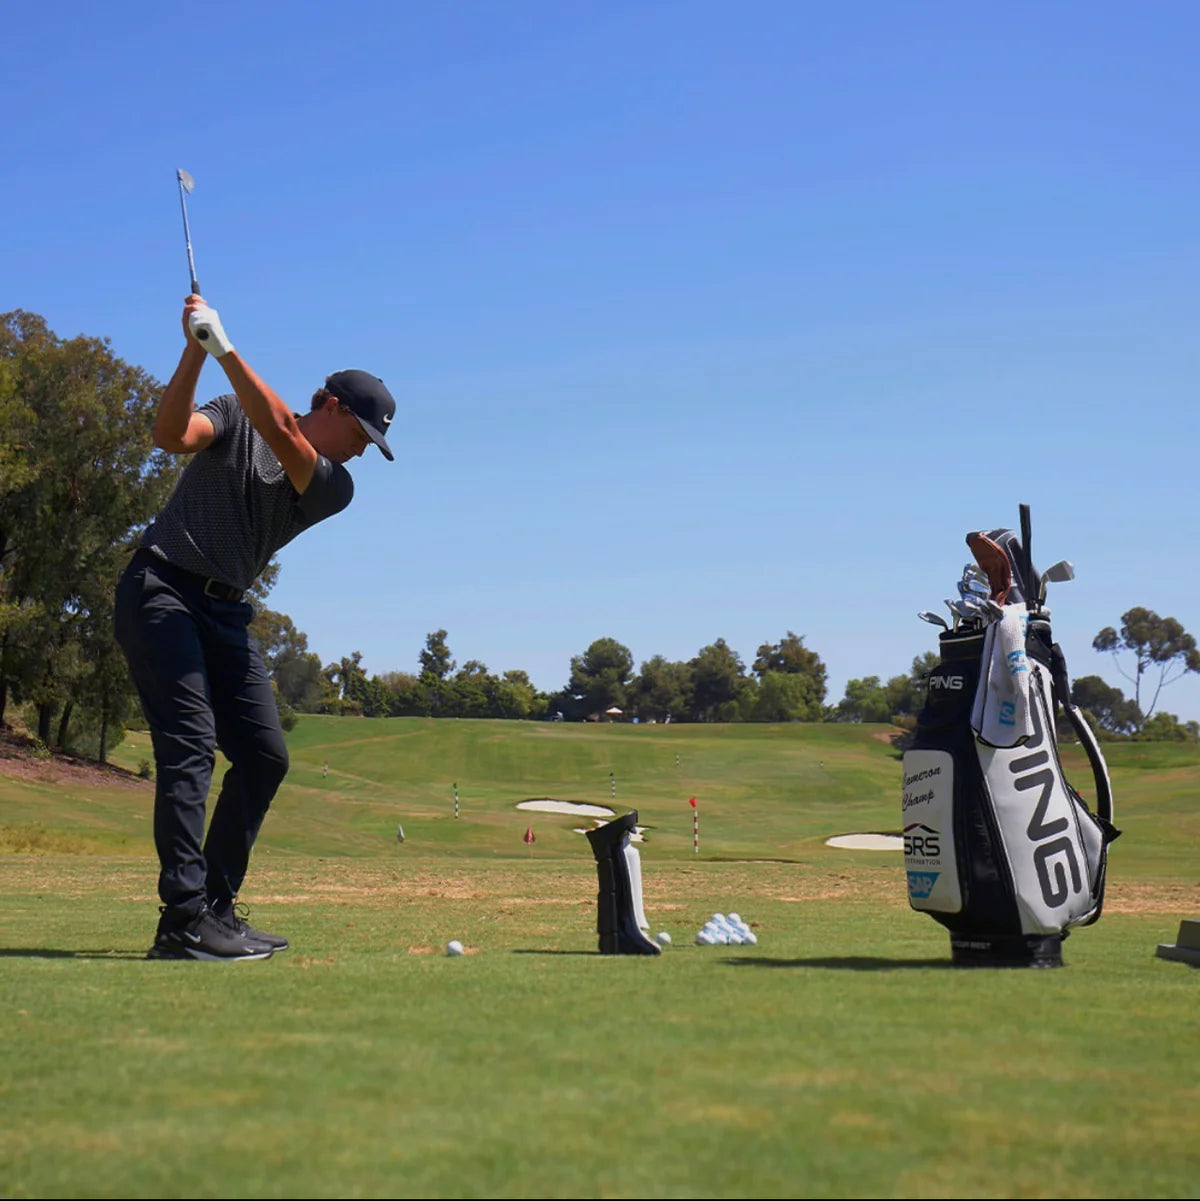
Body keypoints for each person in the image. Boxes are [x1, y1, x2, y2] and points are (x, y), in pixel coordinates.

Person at [115, 294, 396, 961]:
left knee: (266, 755)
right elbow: (170, 434)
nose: (360, 452)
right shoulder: (236, 414)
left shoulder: (332, 484)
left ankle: (215, 906)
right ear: (330, 404)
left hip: (224, 609)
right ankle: (183, 921)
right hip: (161, 589)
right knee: (190, 746)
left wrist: (225, 347)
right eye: (360, 434)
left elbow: (285, 438)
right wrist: (194, 347)